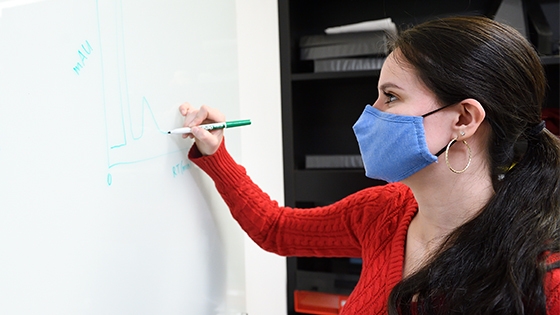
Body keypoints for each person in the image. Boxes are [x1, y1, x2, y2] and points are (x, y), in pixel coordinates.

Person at [179, 16, 560, 314]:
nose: (368, 116)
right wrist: (217, 154)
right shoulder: (385, 211)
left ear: (463, 119)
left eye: (390, 97)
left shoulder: (544, 276)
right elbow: (275, 229)